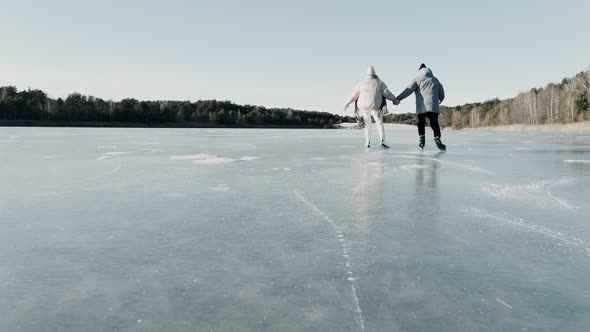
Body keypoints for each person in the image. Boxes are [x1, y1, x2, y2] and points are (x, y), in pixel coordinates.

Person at [345, 66, 400, 149]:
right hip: (375, 105)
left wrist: (347, 103)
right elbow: (387, 93)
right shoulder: (379, 82)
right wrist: (394, 99)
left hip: (363, 106)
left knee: (367, 124)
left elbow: (354, 95)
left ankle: (367, 142)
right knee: (379, 123)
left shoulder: (361, 82)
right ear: (374, 73)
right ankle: (383, 141)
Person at [396, 63, 446, 151]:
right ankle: (437, 138)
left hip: (421, 106)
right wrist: (440, 100)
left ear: (419, 70)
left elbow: (408, 90)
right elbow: (441, 92)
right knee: (434, 123)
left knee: (421, 123)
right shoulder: (435, 79)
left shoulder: (417, 79)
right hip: (433, 105)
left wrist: (398, 98)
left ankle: (422, 139)